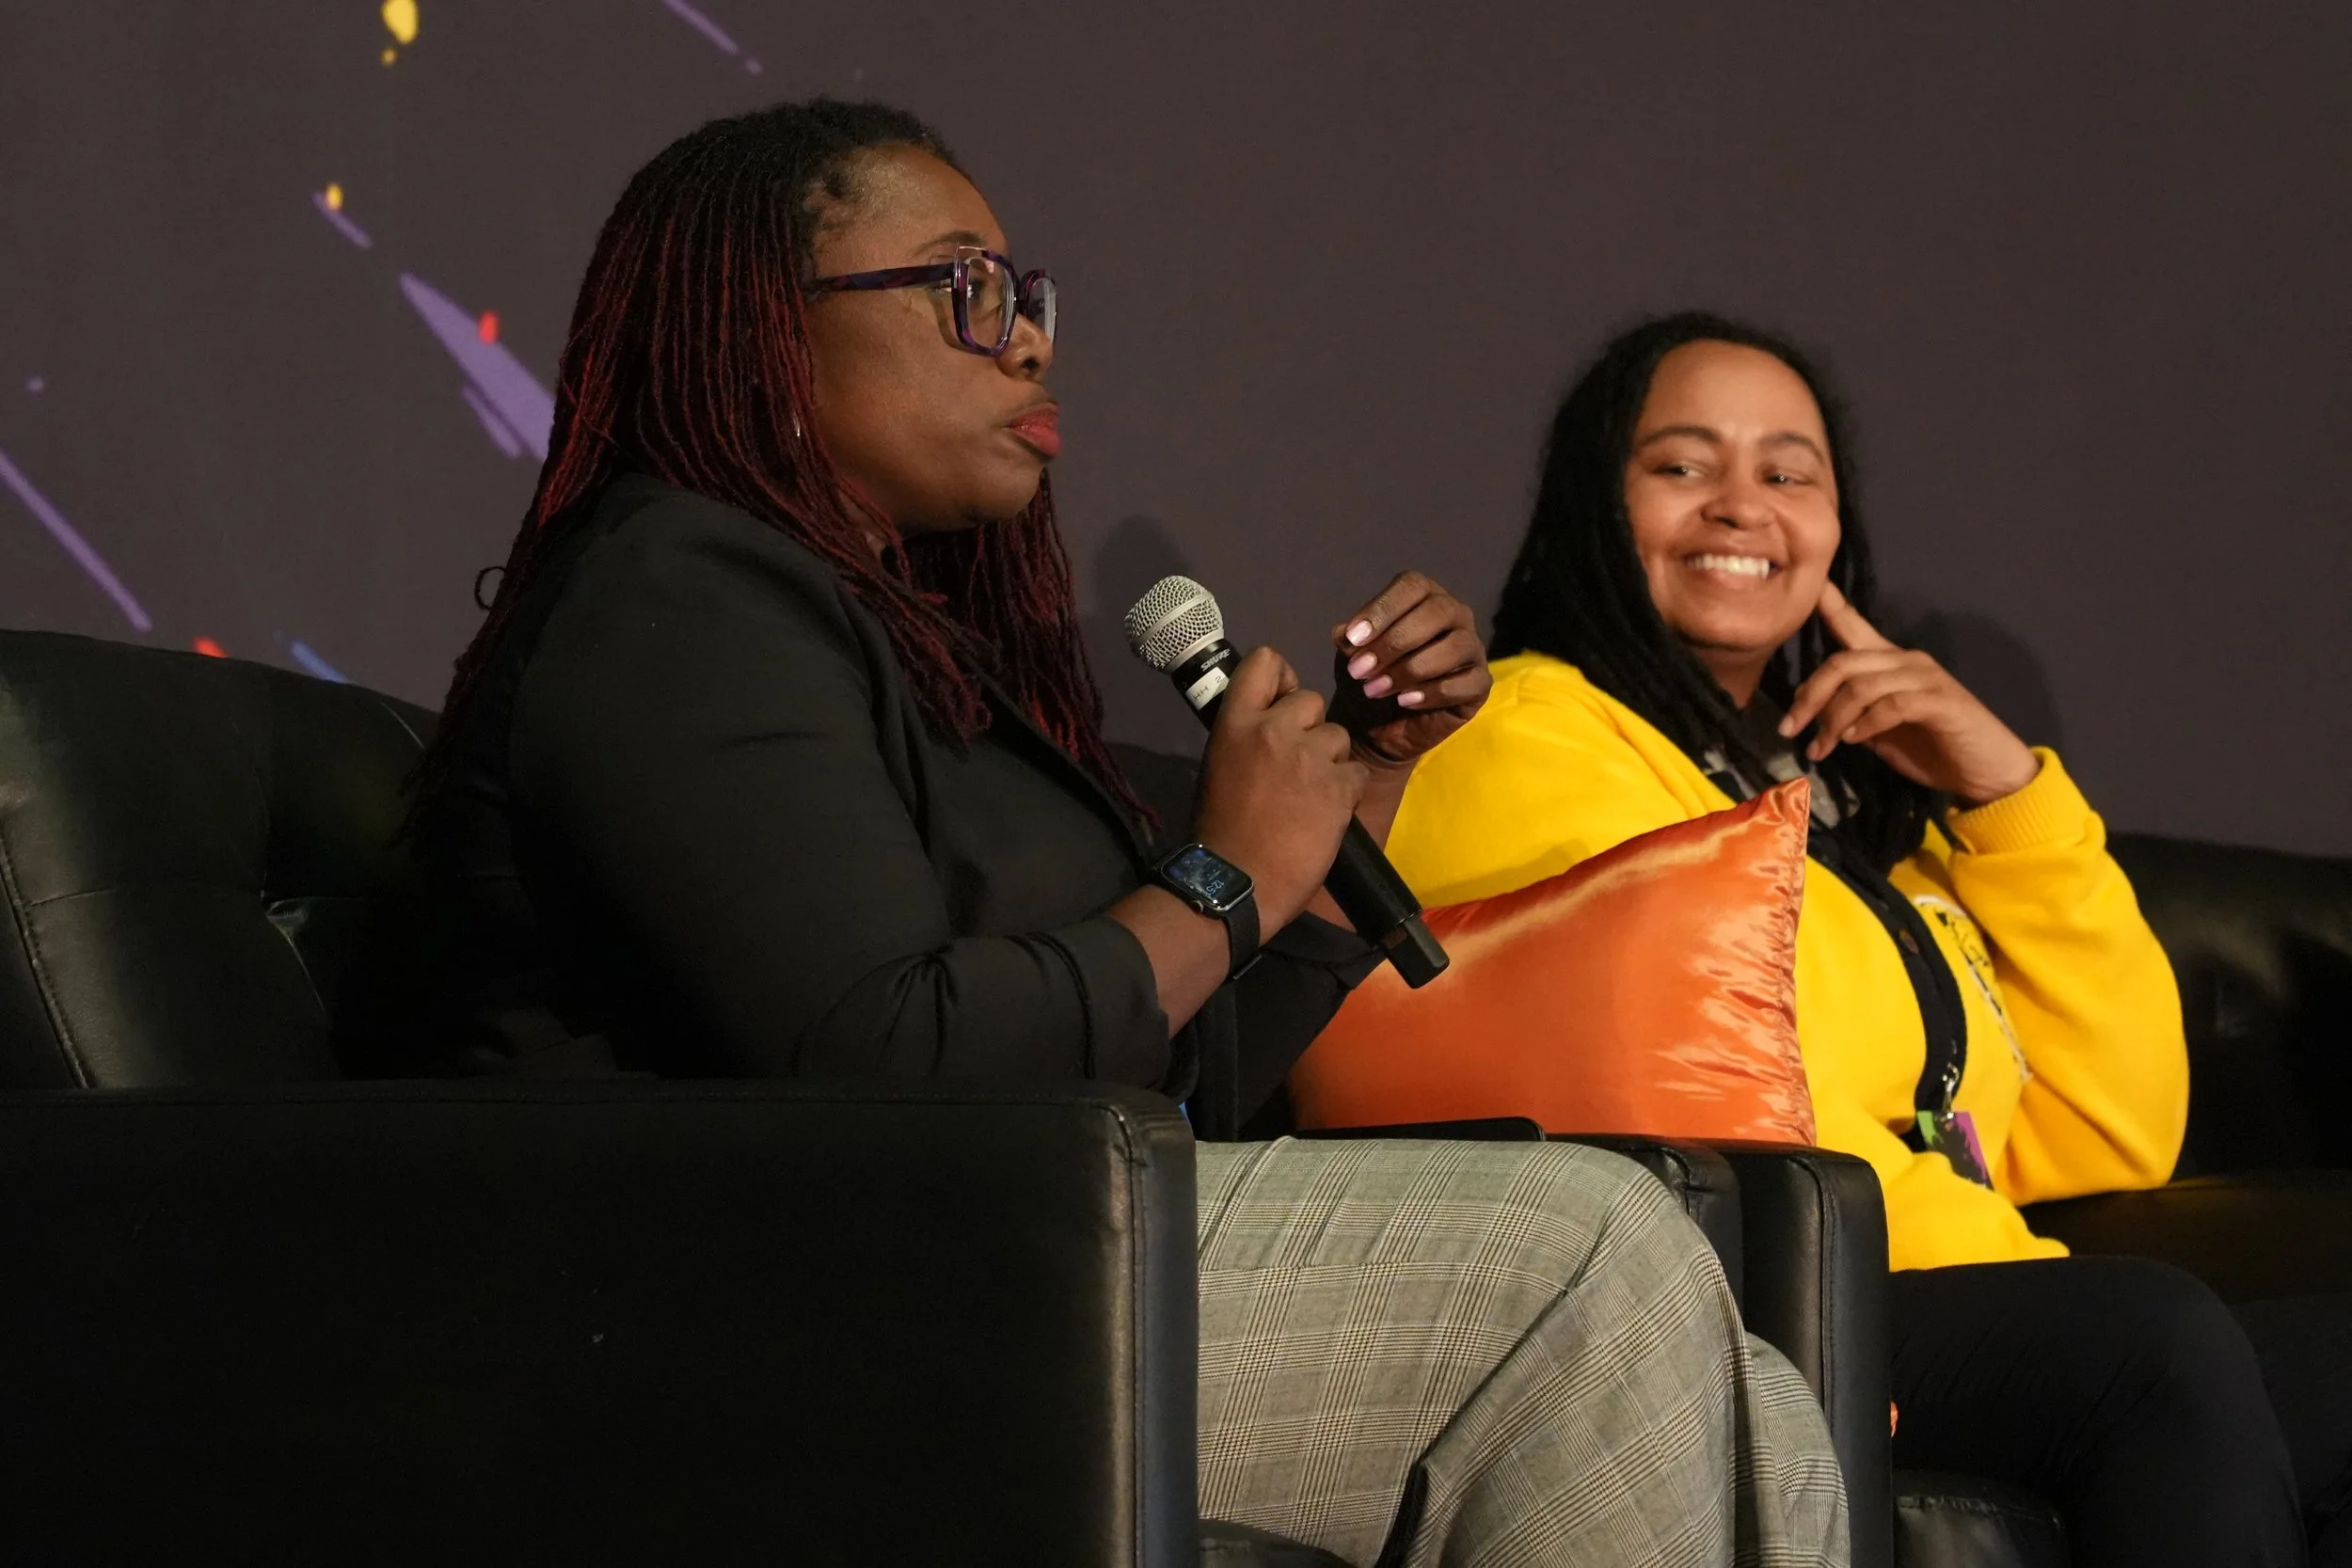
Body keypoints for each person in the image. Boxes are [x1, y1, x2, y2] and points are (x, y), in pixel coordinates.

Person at [406, 108, 1847, 1566]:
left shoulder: (914, 653)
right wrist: (1221, 881)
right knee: (1586, 1256)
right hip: (755, 1317)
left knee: (1768, 1417)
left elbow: (1163, 1083)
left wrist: (1343, 818)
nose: (1027, 342)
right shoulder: (678, 594)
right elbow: (879, 1062)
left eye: (1026, 297)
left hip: (1014, 1244)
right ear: (767, 333)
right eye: (962, 289)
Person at [1381, 310, 2352, 1566]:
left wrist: (2008, 798)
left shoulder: (1843, 806)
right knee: (2152, 1337)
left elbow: (2107, 1126)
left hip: (1940, 1284)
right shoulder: (1522, 731)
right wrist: (1996, 1257)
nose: (1743, 507)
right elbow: (1661, 1091)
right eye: (1682, 466)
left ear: (1836, 531)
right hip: (1747, 1290)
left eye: (1789, 474)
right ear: (1591, 506)